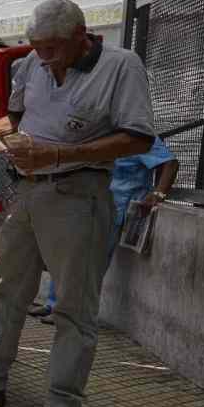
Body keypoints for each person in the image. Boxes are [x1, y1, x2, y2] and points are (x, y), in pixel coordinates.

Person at [0, 0, 155, 407]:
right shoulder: (32, 63)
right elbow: (16, 119)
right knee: (6, 286)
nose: (43, 57)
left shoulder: (121, 66)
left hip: (79, 192)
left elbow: (137, 138)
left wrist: (61, 154)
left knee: (73, 305)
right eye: (36, 47)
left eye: (52, 48)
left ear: (81, 36)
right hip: (28, 190)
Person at [30, 138, 178, 322]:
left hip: (114, 208)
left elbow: (170, 163)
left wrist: (158, 193)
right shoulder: (101, 132)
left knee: (90, 264)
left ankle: (72, 312)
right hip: (86, 202)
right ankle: (53, 304)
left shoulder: (139, 135)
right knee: (67, 255)